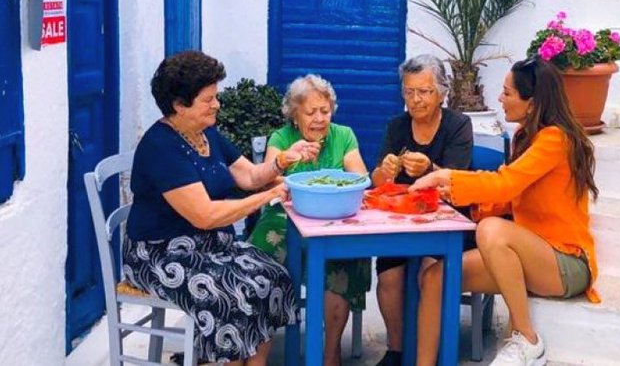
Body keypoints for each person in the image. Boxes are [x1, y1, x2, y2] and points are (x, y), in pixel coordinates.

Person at [123, 51, 314, 365]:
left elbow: (250, 176)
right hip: (162, 253)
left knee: (273, 277)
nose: (217, 104)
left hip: (209, 246)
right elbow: (206, 215)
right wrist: (270, 196)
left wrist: (282, 160)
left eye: (216, 96)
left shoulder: (205, 132)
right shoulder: (162, 148)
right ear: (179, 104)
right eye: (208, 99)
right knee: (228, 296)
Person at [409, 57, 600, 366]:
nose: (500, 98)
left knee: (491, 230)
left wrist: (448, 176)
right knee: (434, 277)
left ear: (533, 102)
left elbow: (505, 184)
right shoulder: (526, 137)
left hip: (565, 263)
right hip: (525, 255)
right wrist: (456, 197)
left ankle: (527, 338)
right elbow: (509, 198)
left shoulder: (555, 139)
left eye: (508, 93)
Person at [247, 74, 370, 366]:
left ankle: (330, 354)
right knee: (258, 265)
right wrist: (292, 161)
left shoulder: (343, 135)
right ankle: (254, 354)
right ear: (294, 114)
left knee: (345, 262)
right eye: (310, 112)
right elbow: (267, 179)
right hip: (284, 217)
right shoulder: (282, 138)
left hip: (335, 220)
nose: (319, 119)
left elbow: (360, 177)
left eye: (324, 111)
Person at [369, 54, 473, 366]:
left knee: (430, 270)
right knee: (388, 276)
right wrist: (385, 170)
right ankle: (396, 350)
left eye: (424, 92)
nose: (416, 100)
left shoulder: (458, 126)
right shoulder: (396, 127)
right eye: (409, 92)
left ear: (441, 92)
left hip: (445, 221)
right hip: (401, 220)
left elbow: (457, 182)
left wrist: (430, 167)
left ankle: (430, 353)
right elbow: (375, 181)